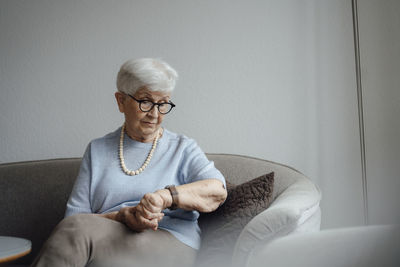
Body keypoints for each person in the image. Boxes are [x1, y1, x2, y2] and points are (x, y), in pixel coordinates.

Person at [31, 58, 227, 267]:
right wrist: (122, 217)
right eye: (145, 101)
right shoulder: (97, 149)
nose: (154, 114)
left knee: (75, 233)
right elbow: (75, 219)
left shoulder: (182, 148)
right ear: (121, 101)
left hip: (169, 241)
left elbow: (217, 191)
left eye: (163, 104)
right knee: (74, 229)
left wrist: (166, 197)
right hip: (107, 241)